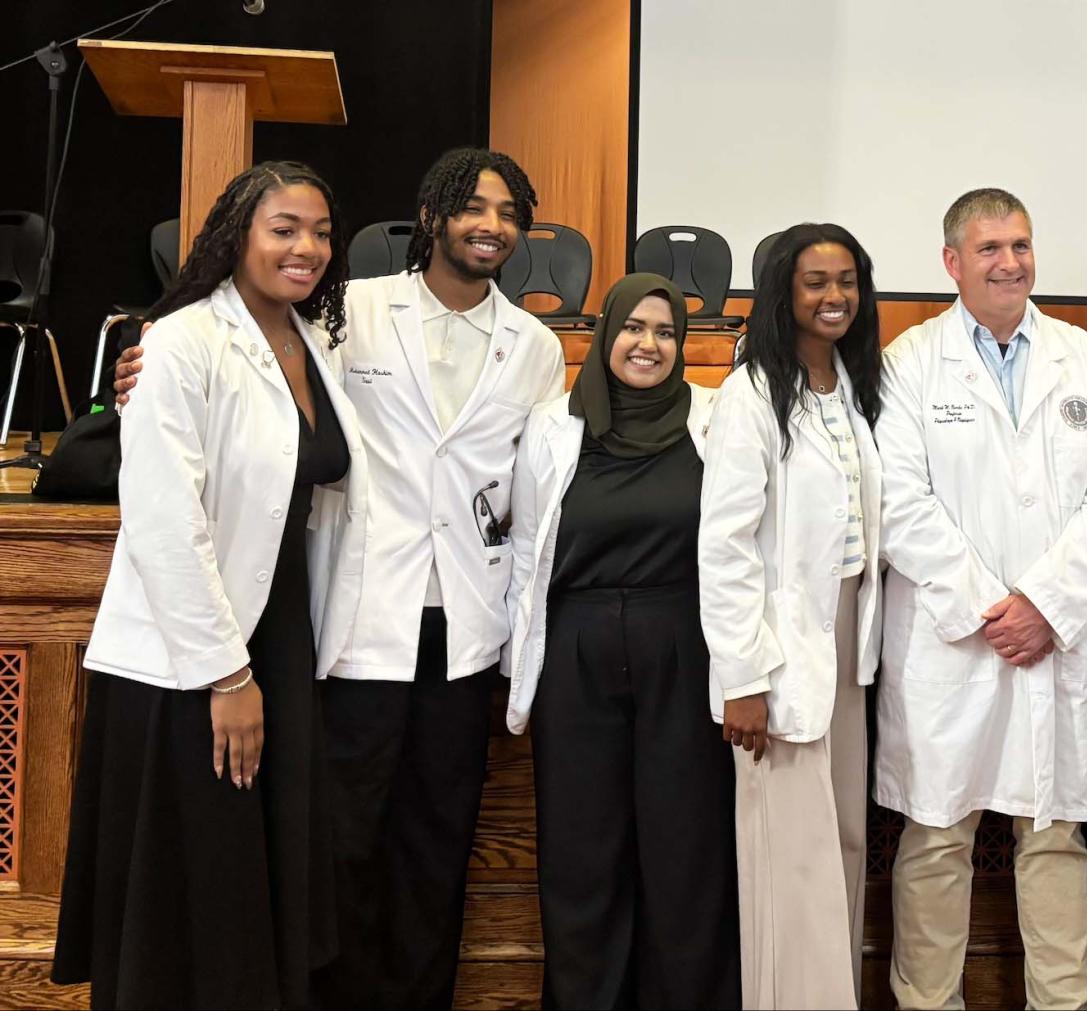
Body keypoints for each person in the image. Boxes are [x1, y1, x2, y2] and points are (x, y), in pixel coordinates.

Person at [113, 146, 567, 1009]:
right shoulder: (347, 310)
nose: (491, 225)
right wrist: (141, 368)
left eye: (509, 213)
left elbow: (538, 480)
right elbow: (245, 351)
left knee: (438, 846)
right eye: (473, 206)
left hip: (465, 628)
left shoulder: (537, 347)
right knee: (343, 840)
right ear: (430, 217)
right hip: (358, 617)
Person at [53, 161, 365, 1009]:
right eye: (284, 229)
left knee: (259, 877)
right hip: (192, 657)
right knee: (194, 885)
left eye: (322, 232)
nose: (308, 247)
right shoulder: (183, 341)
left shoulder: (314, 338)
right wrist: (226, 673)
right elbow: (161, 520)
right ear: (238, 236)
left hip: (283, 634)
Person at [873, 188, 1087, 1010]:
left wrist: (1047, 606)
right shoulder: (910, 362)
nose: (1009, 262)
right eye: (989, 248)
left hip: (1055, 641)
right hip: (954, 642)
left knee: (1057, 839)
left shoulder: (1085, 359)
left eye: (1020, 245)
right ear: (952, 262)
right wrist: (995, 606)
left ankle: (1066, 1004)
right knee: (935, 840)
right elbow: (899, 502)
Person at [502, 273, 740, 1009]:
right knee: (582, 856)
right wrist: (517, 673)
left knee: (685, 854)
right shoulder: (552, 424)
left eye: (666, 332)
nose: (649, 344)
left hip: (684, 648)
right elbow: (526, 553)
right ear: (605, 333)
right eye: (634, 327)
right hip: (576, 655)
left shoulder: (716, 417)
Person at [698, 223, 885, 1009]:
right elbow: (725, 545)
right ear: (783, 290)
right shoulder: (750, 394)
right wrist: (743, 676)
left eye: (846, 280)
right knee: (790, 857)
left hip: (846, 641)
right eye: (815, 281)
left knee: (842, 841)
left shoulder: (852, 383)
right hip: (778, 649)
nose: (834, 296)